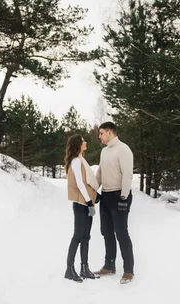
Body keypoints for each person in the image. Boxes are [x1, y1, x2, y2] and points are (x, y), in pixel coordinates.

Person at [94, 121, 135, 284]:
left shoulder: (123, 149)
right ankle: (109, 265)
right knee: (106, 232)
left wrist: (124, 196)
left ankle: (128, 270)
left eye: (101, 133)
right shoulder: (104, 152)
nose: (100, 137)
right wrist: (92, 190)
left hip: (119, 195)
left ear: (110, 133)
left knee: (121, 233)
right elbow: (100, 173)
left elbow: (127, 175)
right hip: (106, 196)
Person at [64, 134, 101, 283]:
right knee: (78, 236)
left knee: (86, 236)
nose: (86, 142)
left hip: (86, 203)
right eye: (83, 141)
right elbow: (80, 183)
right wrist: (89, 201)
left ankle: (84, 268)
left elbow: (87, 182)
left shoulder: (81, 159)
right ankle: (69, 269)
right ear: (78, 144)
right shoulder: (76, 161)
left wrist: (94, 197)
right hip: (81, 205)